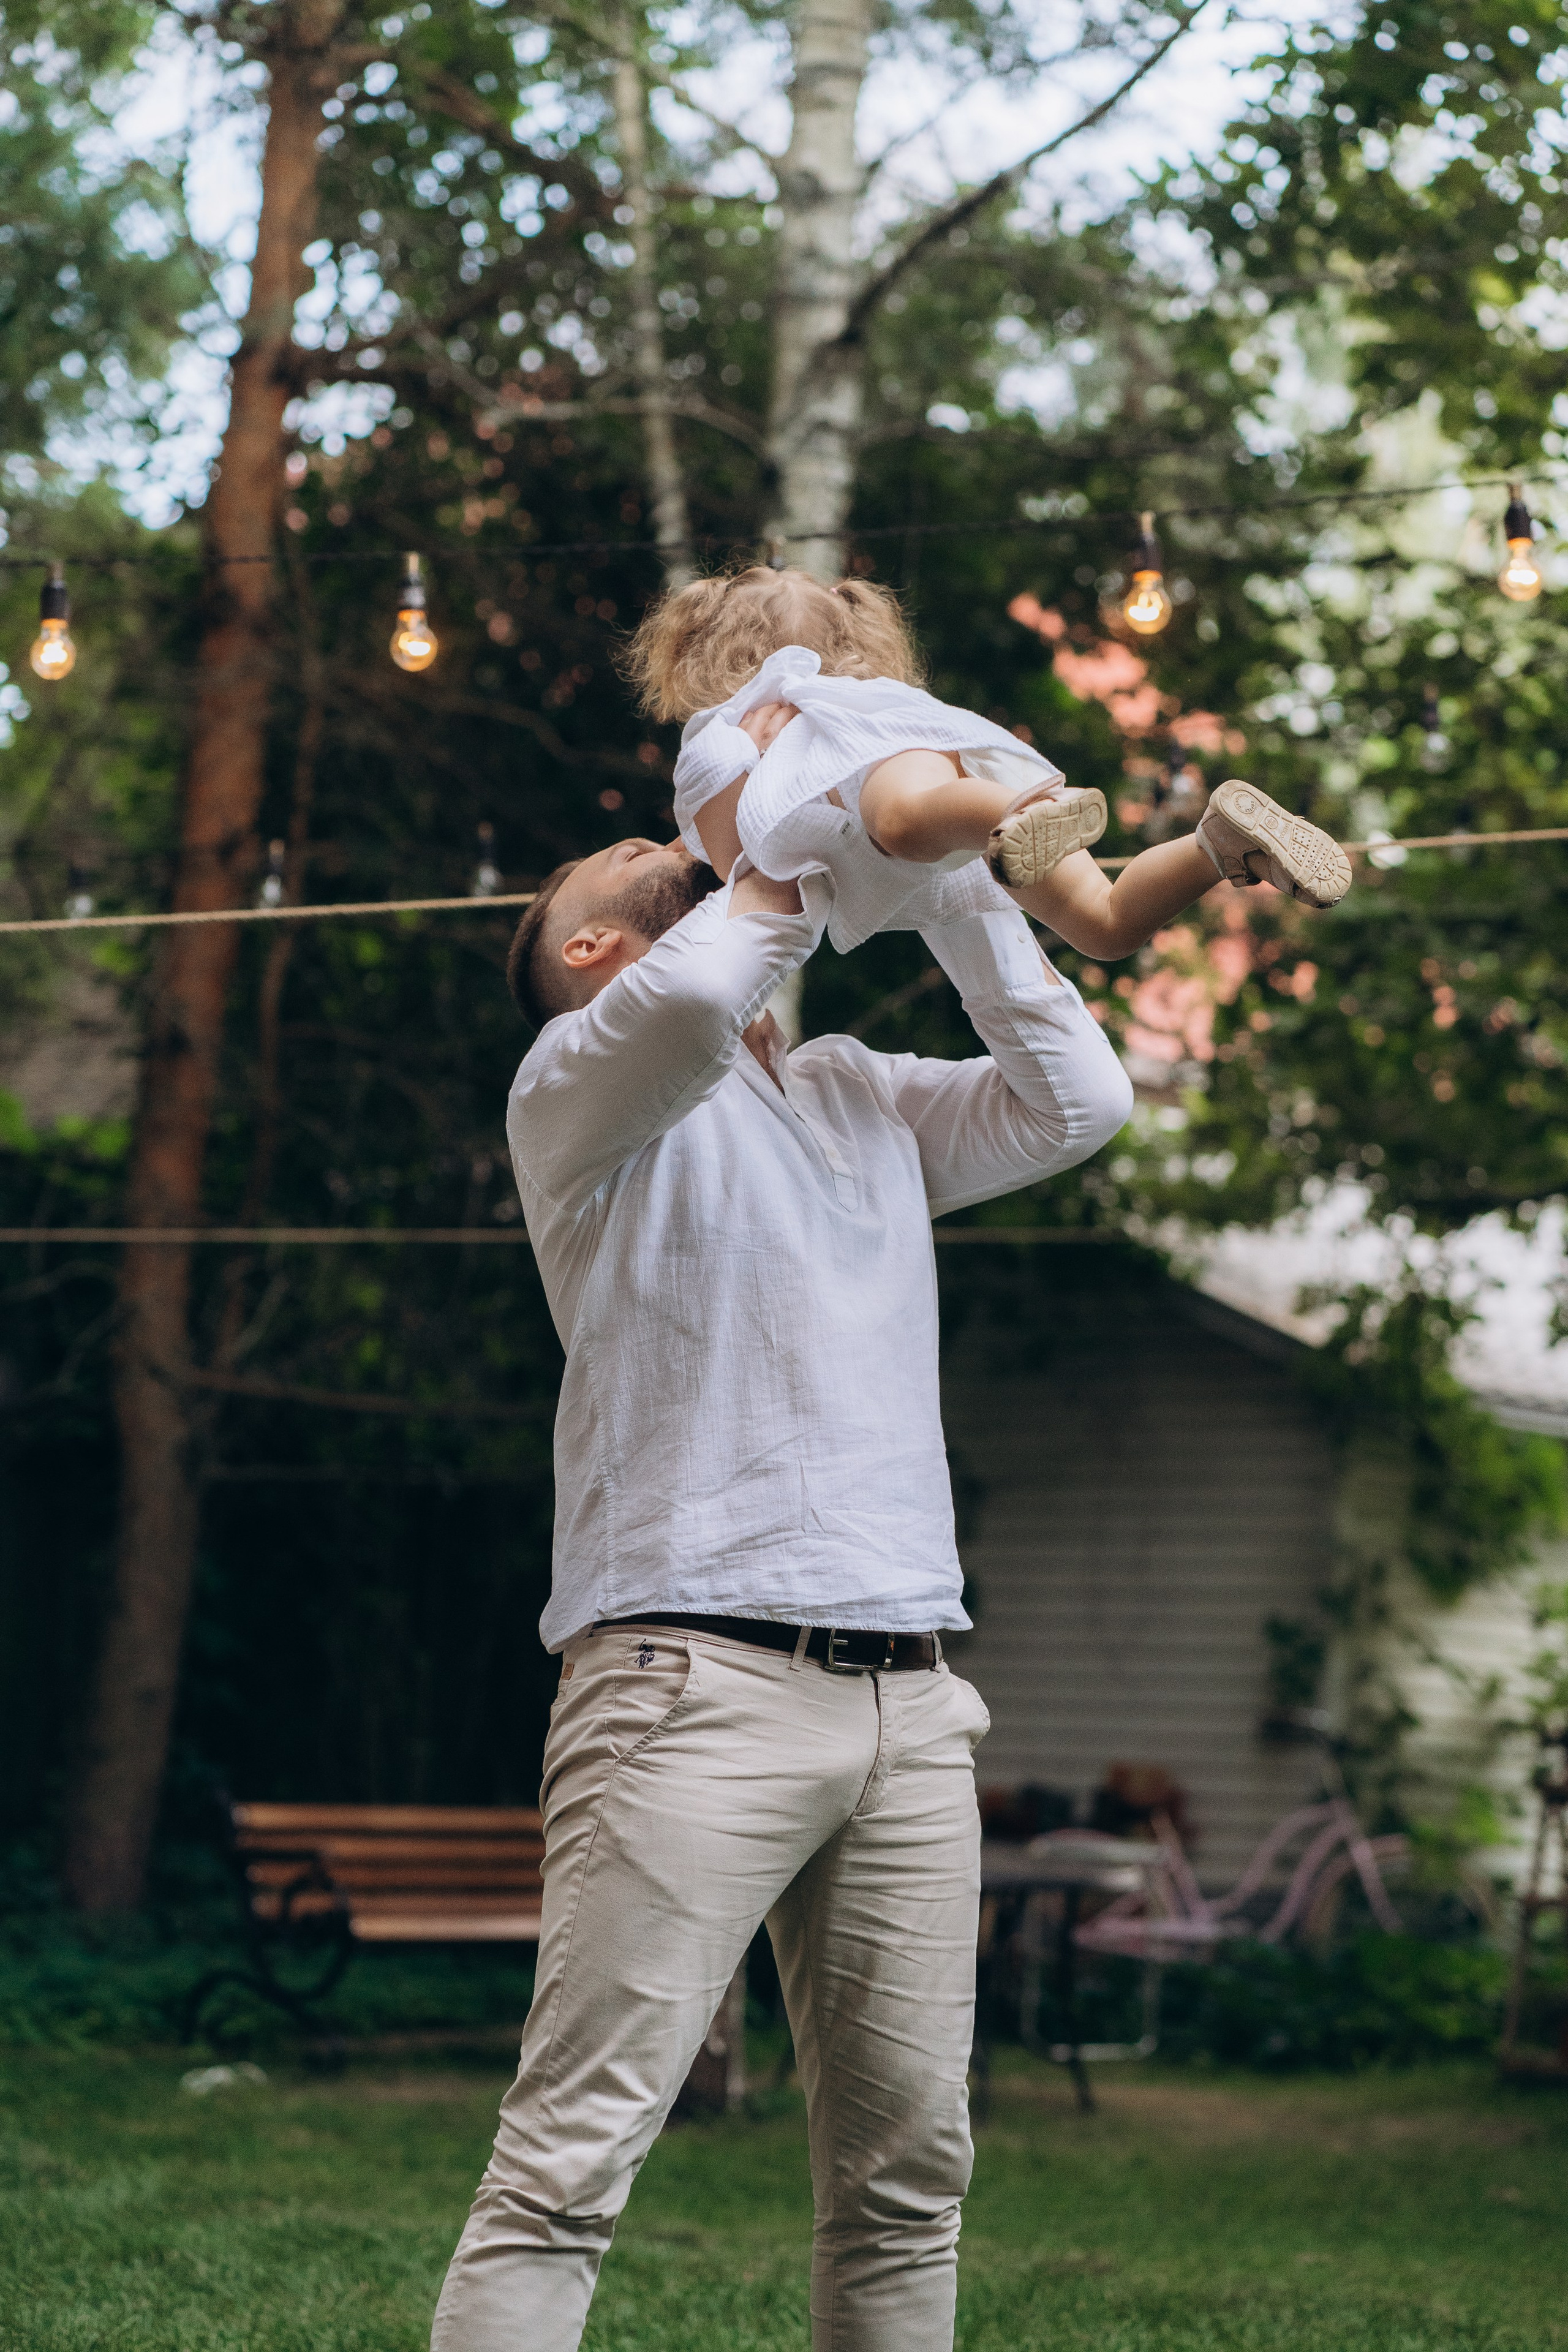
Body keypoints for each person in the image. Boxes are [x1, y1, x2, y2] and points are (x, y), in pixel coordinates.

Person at [429, 821, 1133, 2352]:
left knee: (906, 2181)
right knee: (568, 2164)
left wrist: (955, 890)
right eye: (618, 857)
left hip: (911, 1699)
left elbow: (1080, 1101)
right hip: (688, 1678)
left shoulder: (854, 1092)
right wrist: (805, 846)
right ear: (587, 951)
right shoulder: (578, 1081)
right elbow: (693, 1005)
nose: (652, 836)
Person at [619, 565, 1352, 959]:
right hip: (969, 810)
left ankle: (1020, 812)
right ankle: (1217, 844)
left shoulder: (740, 724)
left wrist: (743, 754)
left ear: (714, 653)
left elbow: (729, 856)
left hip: (935, 800)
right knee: (1105, 927)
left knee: (902, 822)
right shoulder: (879, 696)